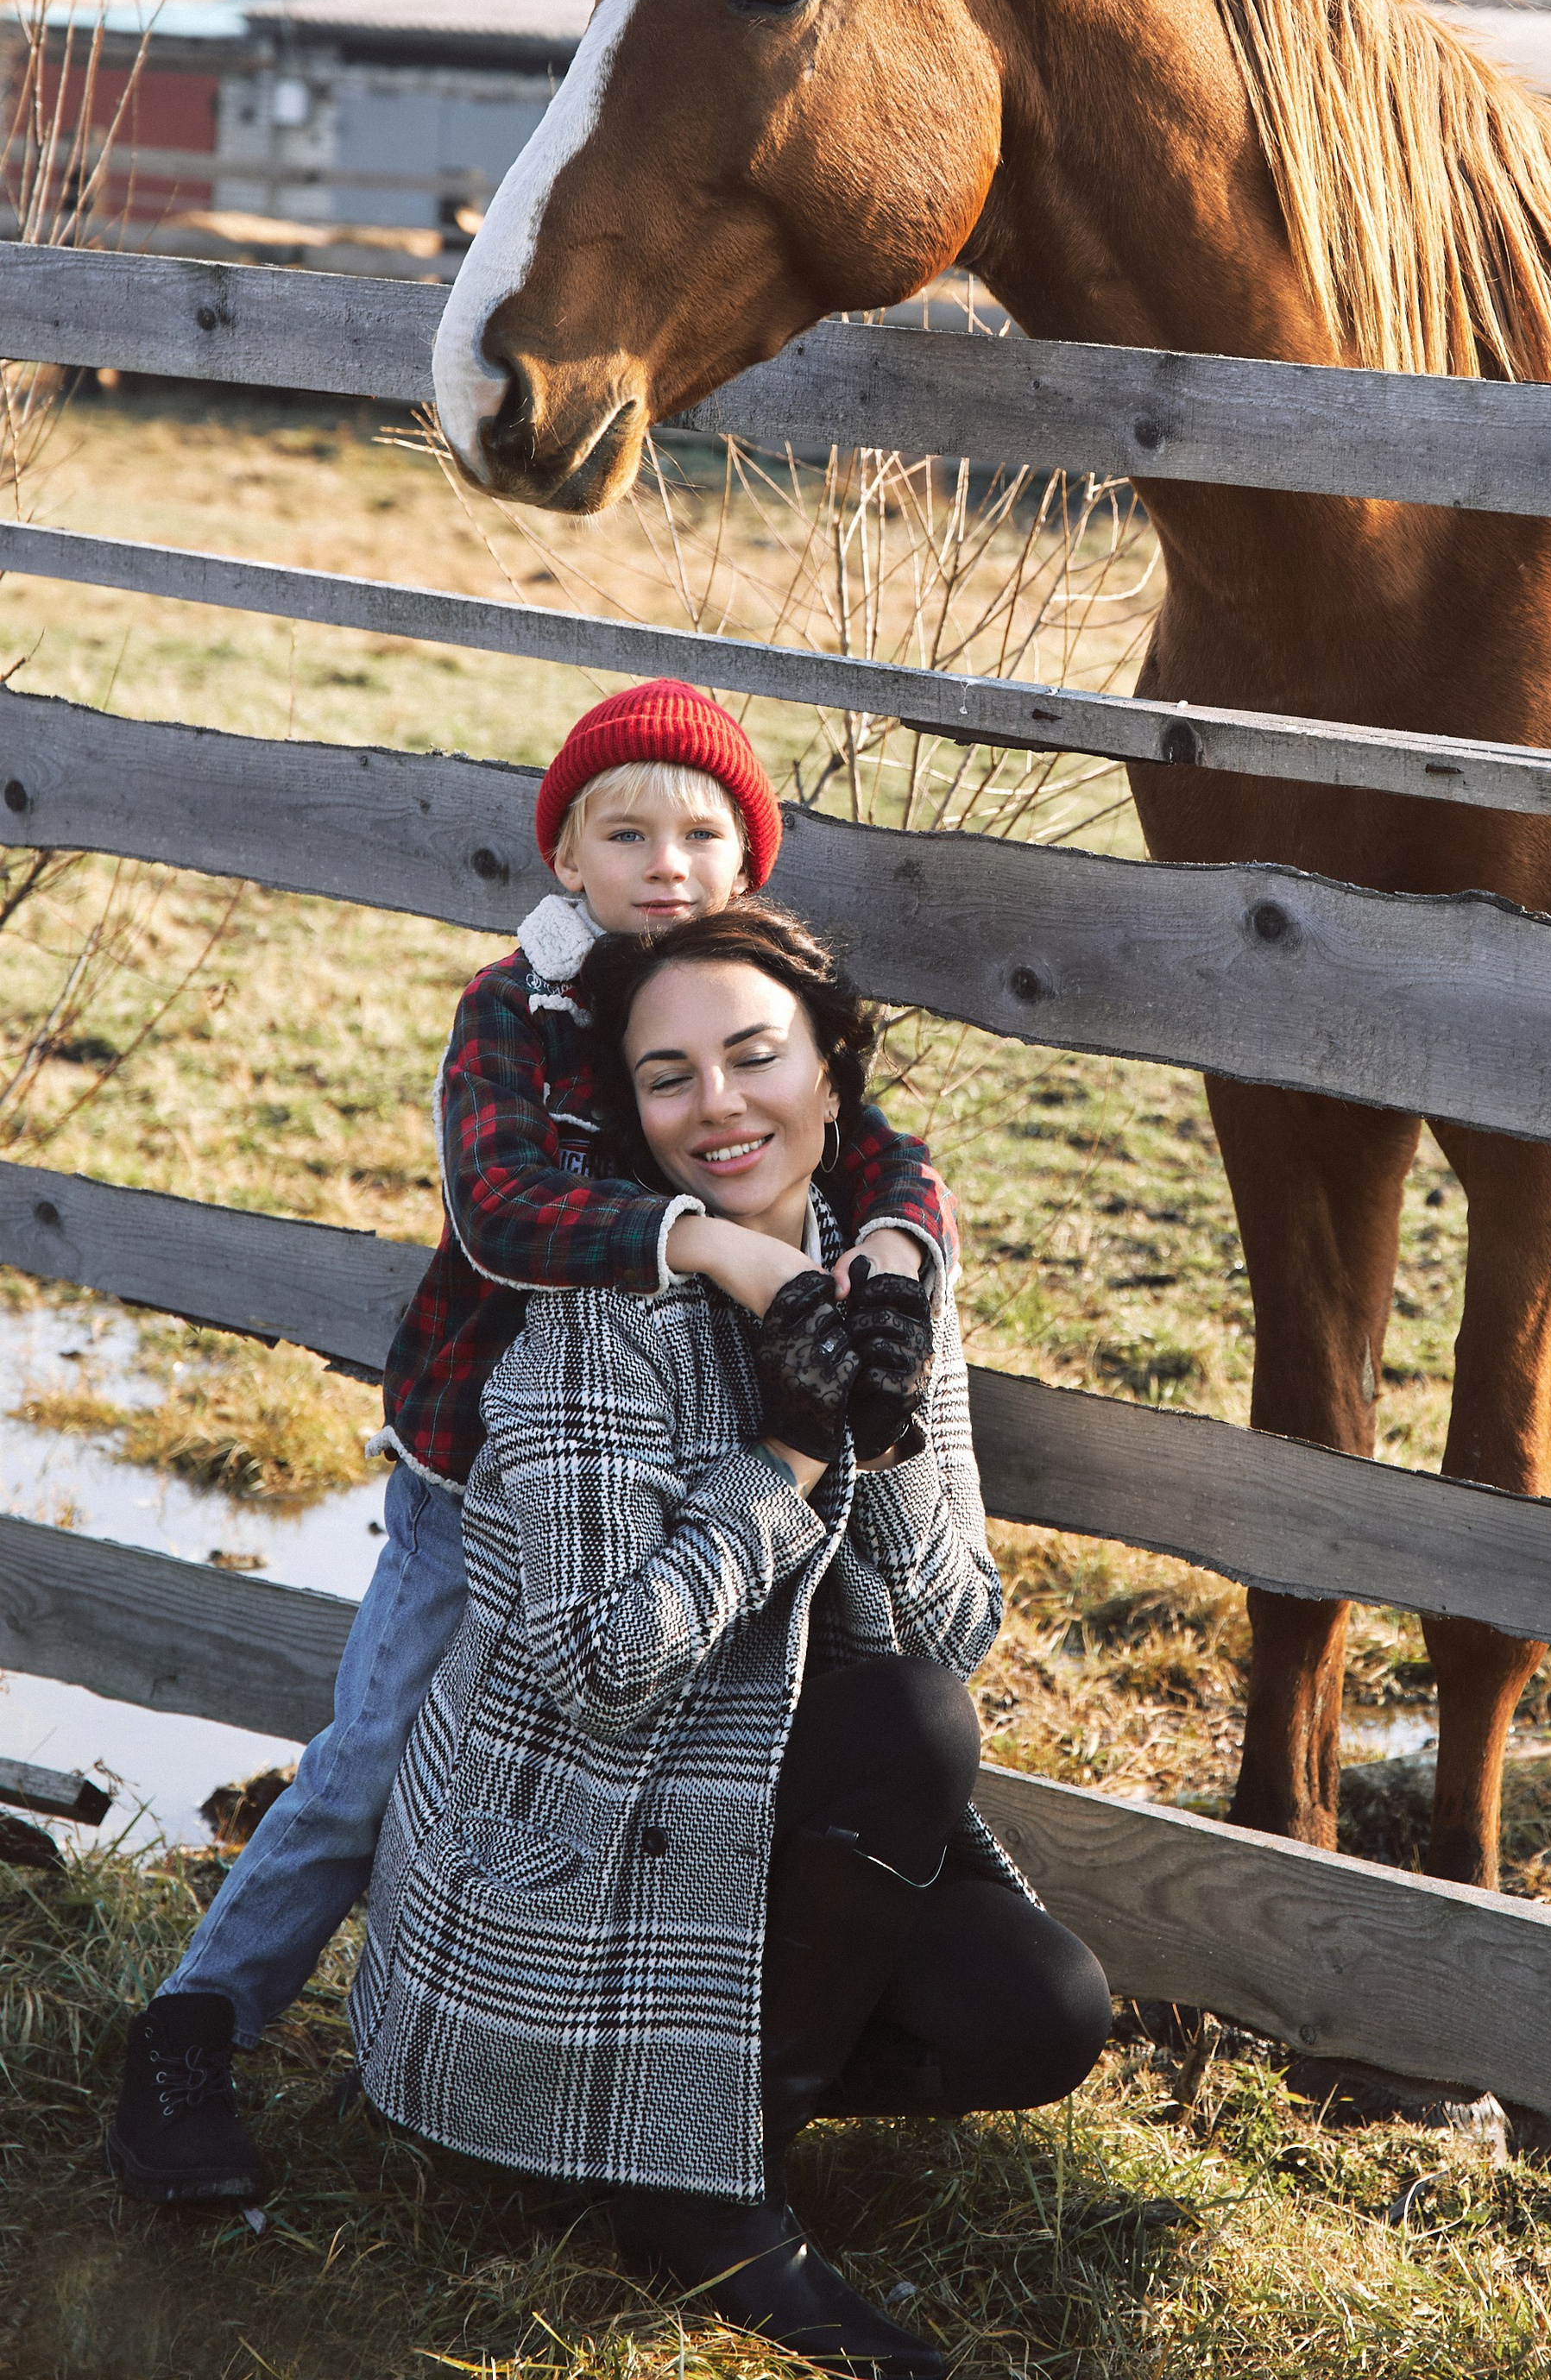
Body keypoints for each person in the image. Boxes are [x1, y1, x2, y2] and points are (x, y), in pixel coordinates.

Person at [108, 682, 953, 2205]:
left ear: (748, 859)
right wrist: (715, 1248)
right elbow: (502, 1208)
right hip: (477, 1468)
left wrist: (893, 1244)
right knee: (382, 1751)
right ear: (566, 856)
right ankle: (196, 2028)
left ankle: (616, 2071)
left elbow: (880, 1139)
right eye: (624, 831)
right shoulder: (520, 1007)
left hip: (661, 1457)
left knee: (673, 1751)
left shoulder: (740, 989)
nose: (665, 861)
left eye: (702, 832)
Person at [349, 902, 1111, 2377]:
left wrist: (880, 1445)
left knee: (1041, 2013)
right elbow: (594, 1665)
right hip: (580, 1859)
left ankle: (673, 2138)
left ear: (833, 1076)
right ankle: (714, 2212)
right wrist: (786, 1459)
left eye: (756, 1058)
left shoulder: (891, 1282)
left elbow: (958, 1625)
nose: (720, 1107)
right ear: (631, 1113)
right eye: (668, 1077)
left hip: (792, 1823)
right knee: (907, 1727)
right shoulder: (595, 1313)